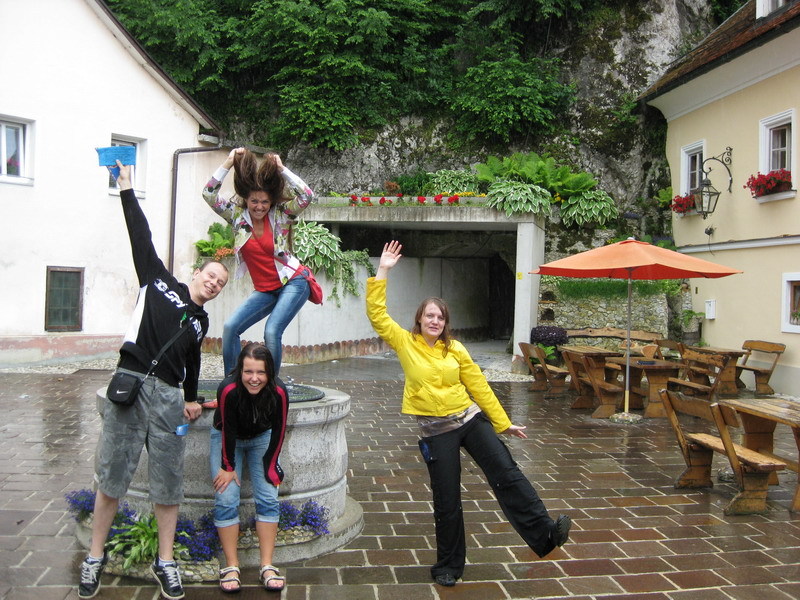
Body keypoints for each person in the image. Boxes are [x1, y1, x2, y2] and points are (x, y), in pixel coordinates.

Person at [365, 241, 571, 587]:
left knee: (507, 472)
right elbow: (377, 314)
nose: (434, 320)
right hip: (436, 432)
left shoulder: (456, 349)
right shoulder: (404, 342)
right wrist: (383, 269)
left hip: (469, 419)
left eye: (440, 316)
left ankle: (546, 534)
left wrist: (503, 423)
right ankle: (448, 565)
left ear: (446, 322)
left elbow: (479, 386)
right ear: (419, 319)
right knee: (447, 499)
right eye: (429, 315)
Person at [78, 161, 229, 600]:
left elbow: (193, 364)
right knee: (112, 477)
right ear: (197, 272)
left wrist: (191, 398)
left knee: (168, 483)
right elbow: (139, 234)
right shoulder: (158, 280)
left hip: (167, 400)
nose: (214, 283)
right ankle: (95, 556)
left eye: (221, 283)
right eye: (211, 276)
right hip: (130, 384)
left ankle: (166, 562)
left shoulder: (200, 324)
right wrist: (126, 187)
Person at [203, 148, 316, 375]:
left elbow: (307, 196)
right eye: (254, 201)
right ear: (246, 200)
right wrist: (228, 162)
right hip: (266, 289)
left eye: (265, 202)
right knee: (230, 327)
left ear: (270, 202)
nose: (259, 207)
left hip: (294, 281)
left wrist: (282, 169)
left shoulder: (281, 215)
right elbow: (209, 194)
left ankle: (270, 385)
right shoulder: (237, 217)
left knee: (272, 331)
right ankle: (232, 382)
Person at [210, 342, 289, 593]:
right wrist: (227, 466)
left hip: (261, 438)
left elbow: (279, 430)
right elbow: (227, 430)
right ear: (240, 371)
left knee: (268, 497)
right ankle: (232, 566)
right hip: (227, 438)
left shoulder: (279, 391)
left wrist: (270, 464)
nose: (254, 378)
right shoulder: (228, 389)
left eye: (261, 372)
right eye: (248, 372)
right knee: (226, 498)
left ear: (270, 372)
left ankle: (267, 565)